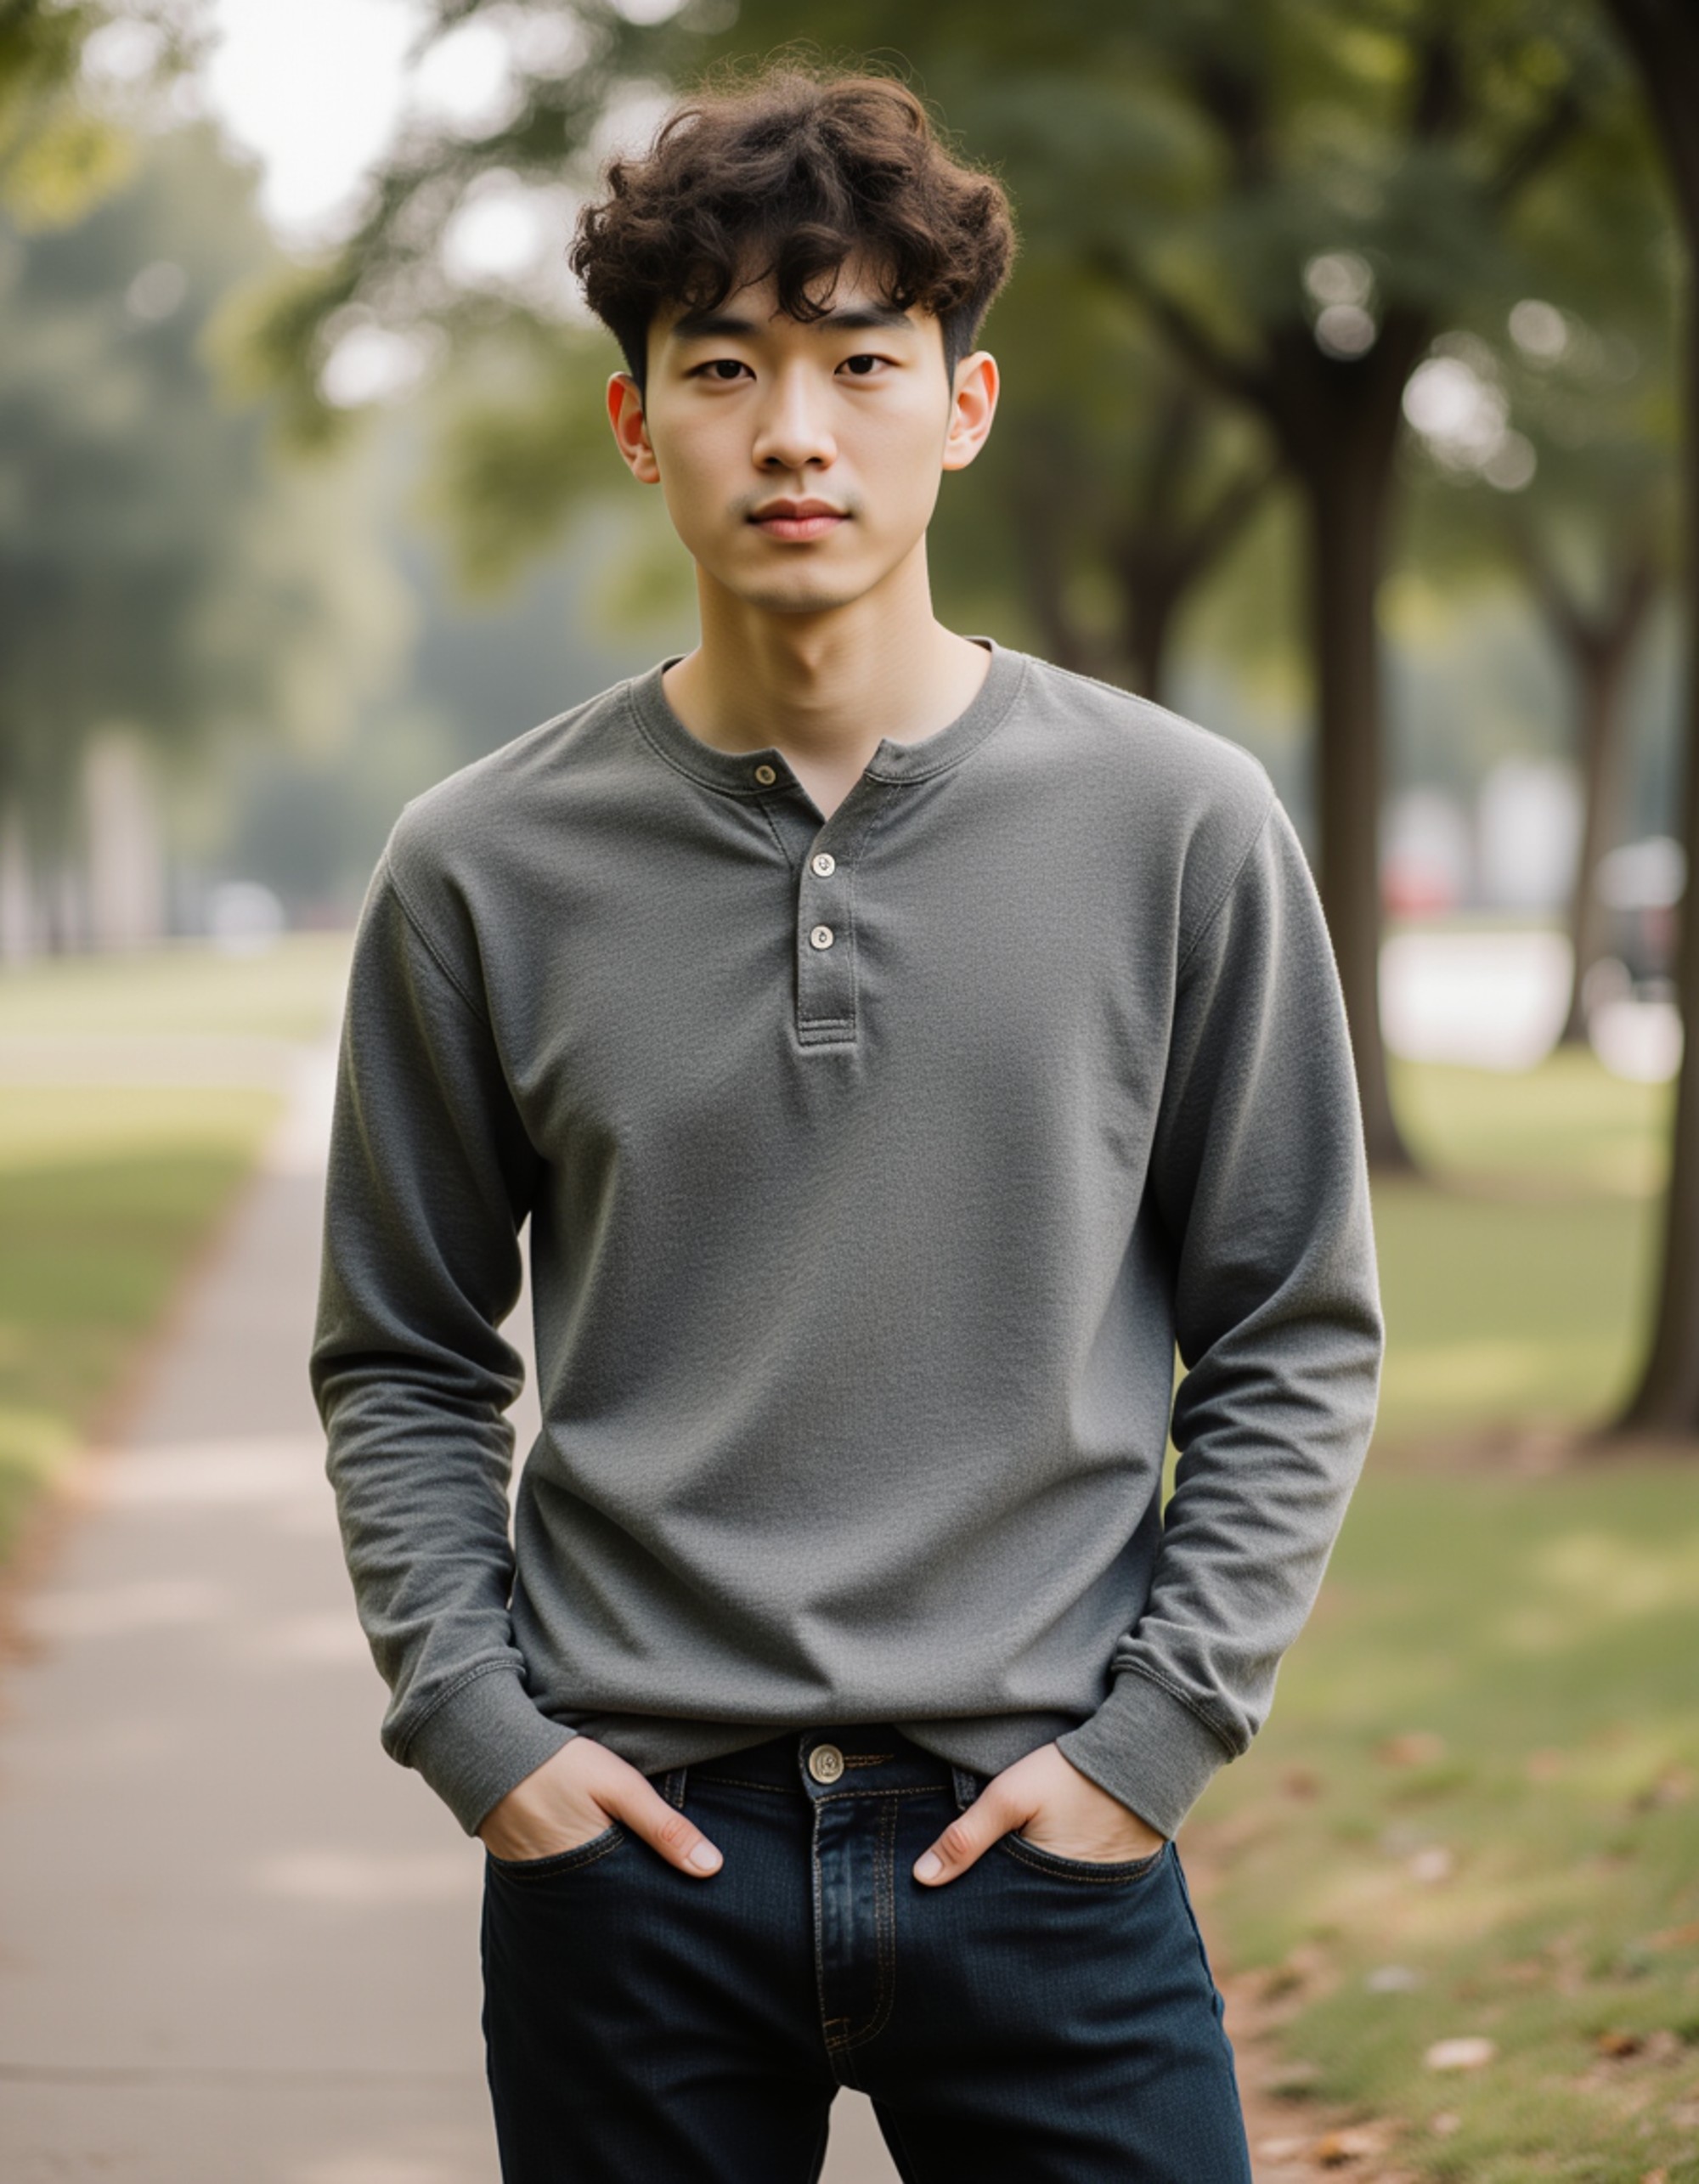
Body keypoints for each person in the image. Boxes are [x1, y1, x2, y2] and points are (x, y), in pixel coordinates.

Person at [311, 64, 1384, 2184]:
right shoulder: (478, 864)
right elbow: (407, 1354)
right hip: (633, 1855)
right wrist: (485, 1736)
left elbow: (1291, 1327)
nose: (793, 429)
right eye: (723, 366)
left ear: (960, 405)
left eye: (861, 361)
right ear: (637, 423)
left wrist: (1150, 1743)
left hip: (1048, 1841)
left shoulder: (1180, 826)